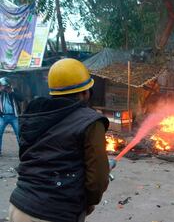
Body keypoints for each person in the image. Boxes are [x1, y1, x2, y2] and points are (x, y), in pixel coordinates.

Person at [9, 59, 110, 222]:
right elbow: (97, 180)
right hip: (54, 213)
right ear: (85, 92)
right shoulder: (90, 121)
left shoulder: (34, 114)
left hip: (18, 206)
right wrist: (88, 203)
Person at [0, 77, 23, 156]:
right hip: (3, 117)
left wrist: (11, 92)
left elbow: (21, 98)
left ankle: (22, 152)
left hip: (14, 116)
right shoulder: (0, 92)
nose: (3, 87)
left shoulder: (14, 90)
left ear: (8, 85)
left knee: (18, 134)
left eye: (3, 85)